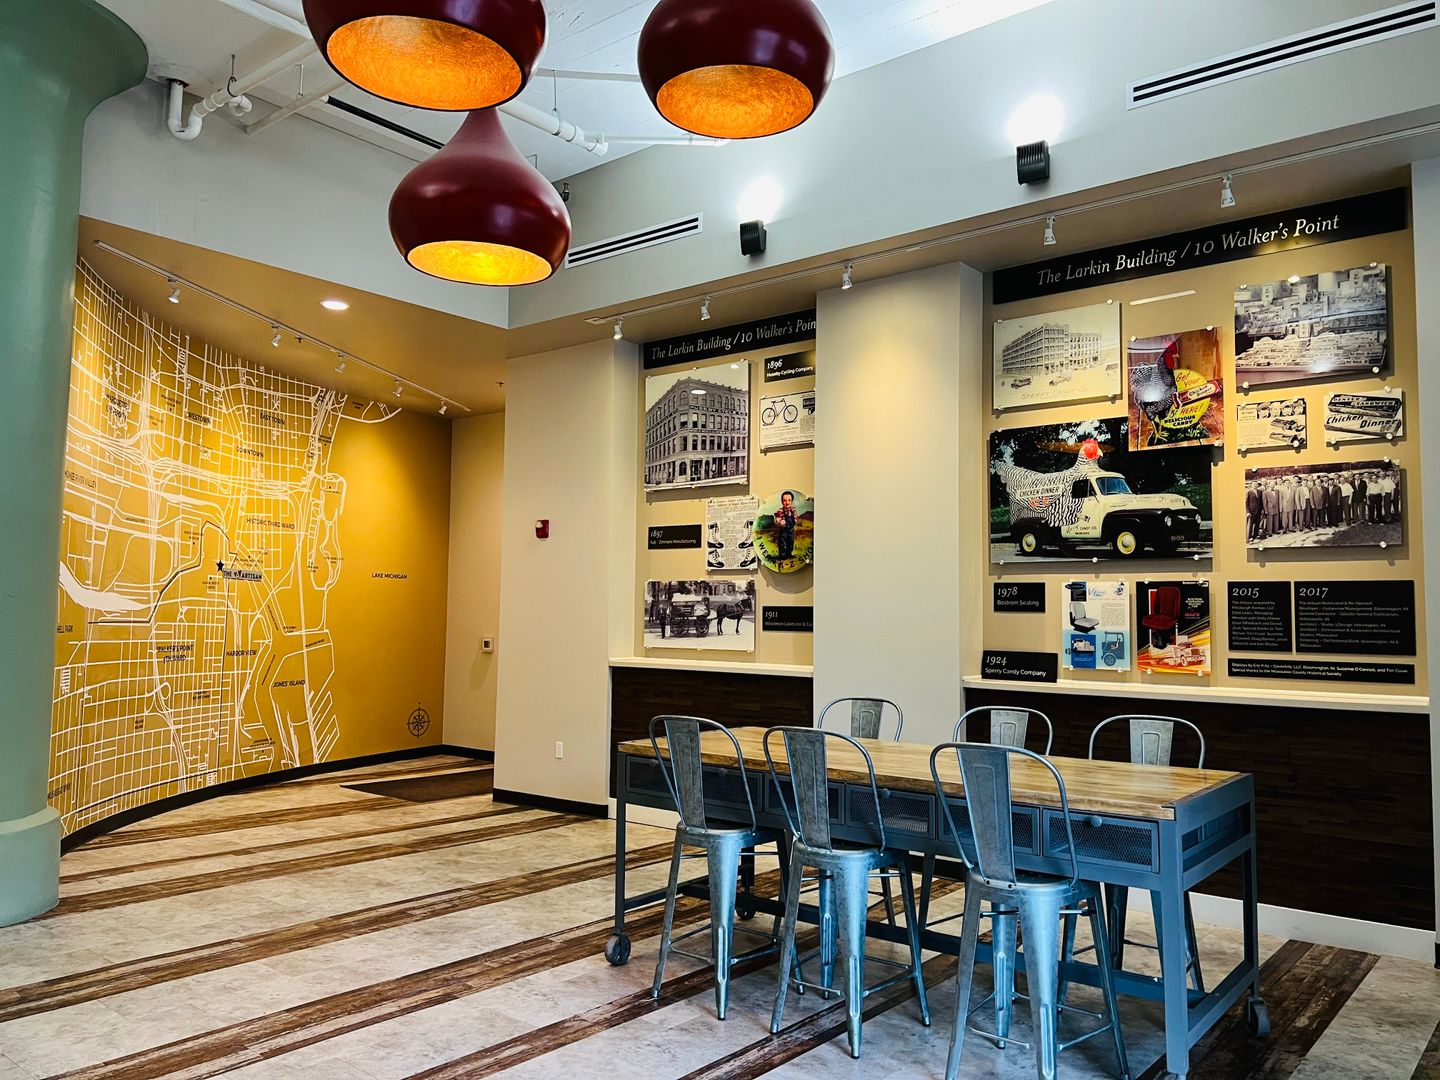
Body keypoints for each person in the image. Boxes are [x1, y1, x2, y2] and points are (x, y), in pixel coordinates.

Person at [775, 490, 798, 561]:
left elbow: (795, 517)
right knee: (783, 542)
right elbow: (777, 519)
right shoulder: (780, 511)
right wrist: (780, 521)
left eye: (789, 500)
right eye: (785, 500)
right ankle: (782, 555)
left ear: (792, 501)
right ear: (782, 501)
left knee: (790, 541)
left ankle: (789, 554)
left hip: (791, 529)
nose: (787, 502)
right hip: (783, 530)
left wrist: (794, 520)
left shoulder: (793, 510)